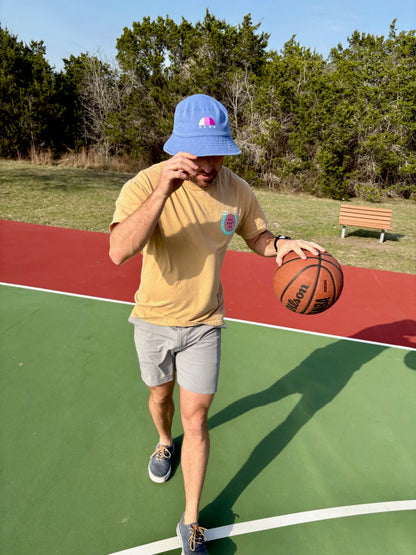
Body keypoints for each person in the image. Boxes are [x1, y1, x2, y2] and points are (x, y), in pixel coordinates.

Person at [109, 94, 324, 553]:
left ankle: (190, 523)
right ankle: (164, 442)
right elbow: (118, 250)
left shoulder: (237, 189)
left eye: (217, 151)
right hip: (153, 319)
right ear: (177, 146)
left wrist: (282, 245)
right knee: (160, 397)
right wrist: (163, 191)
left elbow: (258, 237)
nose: (208, 164)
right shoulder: (142, 185)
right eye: (198, 152)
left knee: (198, 416)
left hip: (206, 321)